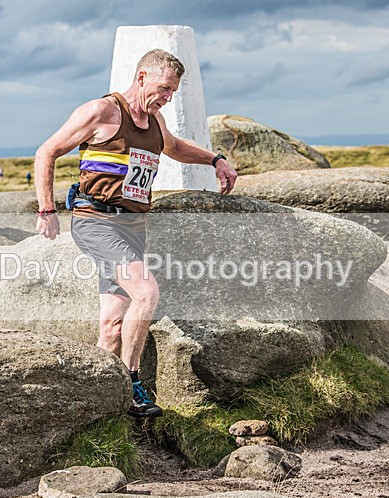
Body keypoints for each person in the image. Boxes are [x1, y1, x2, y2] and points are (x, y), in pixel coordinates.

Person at [34, 49, 237, 418]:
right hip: (96, 221)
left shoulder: (156, 122)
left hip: (132, 228)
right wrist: (46, 209)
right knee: (147, 291)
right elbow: (46, 152)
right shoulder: (101, 112)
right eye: (163, 88)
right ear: (141, 77)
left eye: (173, 91)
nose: (168, 97)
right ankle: (132, 382)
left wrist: (215, 160)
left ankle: (94, 400)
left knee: (112, 325)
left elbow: (174, 149)